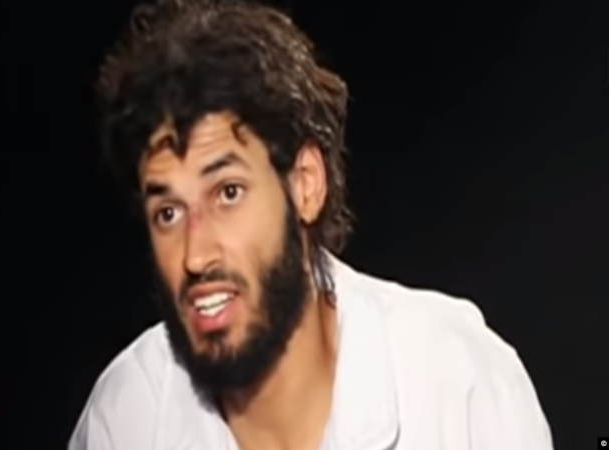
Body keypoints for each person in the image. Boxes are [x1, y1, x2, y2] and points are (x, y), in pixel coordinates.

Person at [69, 0, 554, 448]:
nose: (195, 254)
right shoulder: (126, 415)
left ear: (305, 184)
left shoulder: (458, 382)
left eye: (228, 192)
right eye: (168, 213)